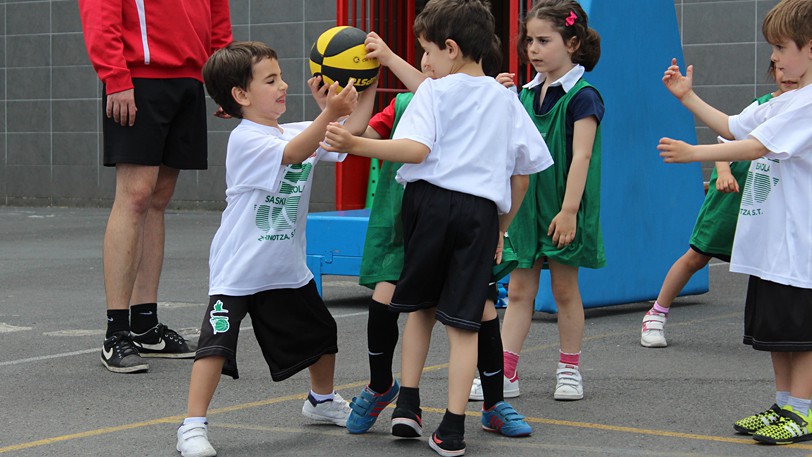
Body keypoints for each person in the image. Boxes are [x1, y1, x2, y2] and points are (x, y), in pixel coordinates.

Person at [322, 1, 553, 454]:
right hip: (482, 213)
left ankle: (407, 404)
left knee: (419, 307)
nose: (425, 61)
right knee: (465, 323)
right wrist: (501, 229)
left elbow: (416, 150)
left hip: (429, 208)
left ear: (449, 48)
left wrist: (354, 143)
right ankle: (452, 428)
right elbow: (523, 176)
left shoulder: (433, 92)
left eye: (427, 49)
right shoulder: (505, 98)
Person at [174, 41, 378, 457]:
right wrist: (328, 113)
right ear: (241, 96)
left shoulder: (294, 128)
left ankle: (320, 401)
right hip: (239, 270)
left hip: (285, 267)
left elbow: (350, 131)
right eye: (271, 80)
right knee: (215, 345)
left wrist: (364, 82)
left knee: (323, 334)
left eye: (281, 76)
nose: (284, 85)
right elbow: (294, 153)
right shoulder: (246, 139)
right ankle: (192, 426)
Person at [657, 0, 812, 444]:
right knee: (777, 335)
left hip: (798, 247)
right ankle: (785, 406)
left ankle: (802, 412)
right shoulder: (784, 102)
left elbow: (753, 148)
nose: (775, 58)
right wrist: (687, 96)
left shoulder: (807, 104)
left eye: (781, 48)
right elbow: (733, 126)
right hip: (772, 247)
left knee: (800, 335)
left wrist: (694, 154)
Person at [78, 0, 233, 373]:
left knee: (158, 200)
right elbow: (99, 14)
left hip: (189, 80)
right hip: (138, 78)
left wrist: (226, 81)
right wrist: (115, 77)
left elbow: (218, 17)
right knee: (134, 197)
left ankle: (146, 324)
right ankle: (116, 332)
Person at [482, 0, 604, 402]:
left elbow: (582, 156)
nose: (532, 48)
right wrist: (500, 99)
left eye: (543, 40)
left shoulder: (584, 97)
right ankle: (505, 373)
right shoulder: (524, 93)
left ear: (571, 43)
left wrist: (569, 210)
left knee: (566, 291)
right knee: (518, 292)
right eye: (529, 40)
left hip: (561, 207)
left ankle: (569, 369)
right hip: (525, 209)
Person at [640, 60, 799, 348]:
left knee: (770, 264)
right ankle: (656, 313)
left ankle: (777, 333)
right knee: (697, 256)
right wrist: (722, 171)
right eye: (776, 63)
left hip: (771, 200)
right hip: (734, 194)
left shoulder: (801, 108)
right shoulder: (765, 106)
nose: (784, 71)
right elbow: (729, 136)